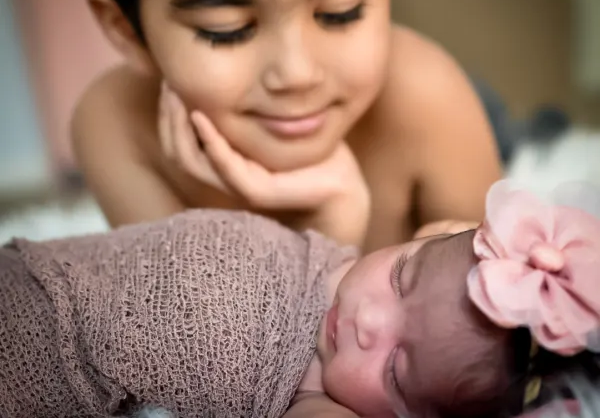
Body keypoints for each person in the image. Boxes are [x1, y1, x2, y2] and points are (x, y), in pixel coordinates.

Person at [71, 0, 501, 251]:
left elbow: (507, 328)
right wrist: (330, 233)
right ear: (125, 29)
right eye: (226, 29)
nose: (297, 76)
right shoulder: (116, 126)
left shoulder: (426, 96)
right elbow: (198, 347)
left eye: (341, 10)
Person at [1, 179, 598, 417]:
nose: (368, 321)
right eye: (400, 279)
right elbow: (446, 236)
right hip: (33, 275)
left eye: (396, 367)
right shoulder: (368, 255)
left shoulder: (322, 403)